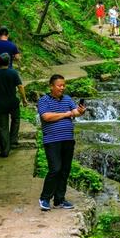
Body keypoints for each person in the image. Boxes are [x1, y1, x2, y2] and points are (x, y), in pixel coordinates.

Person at [37, 74, 86, 211]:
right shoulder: (44, 100)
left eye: (64, 85)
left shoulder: (67, 99)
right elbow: (46, 116)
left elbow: (74, 111)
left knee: (65, 170)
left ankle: (59, 200)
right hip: (52, 140)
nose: (62, 88)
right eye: (59, 85)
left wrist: (80, 111)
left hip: (68, 140)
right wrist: (66, 114)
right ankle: (45, 198)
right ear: (51, 86)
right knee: (55, 169)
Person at [0, 53, 28, 158]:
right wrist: (24, 99)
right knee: (16, 119)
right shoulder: (13, 73)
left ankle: (5, 150)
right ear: (9, 62)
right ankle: (13, 139)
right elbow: (20, 86)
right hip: (12, 102)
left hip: (0, 103)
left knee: (2, 127)